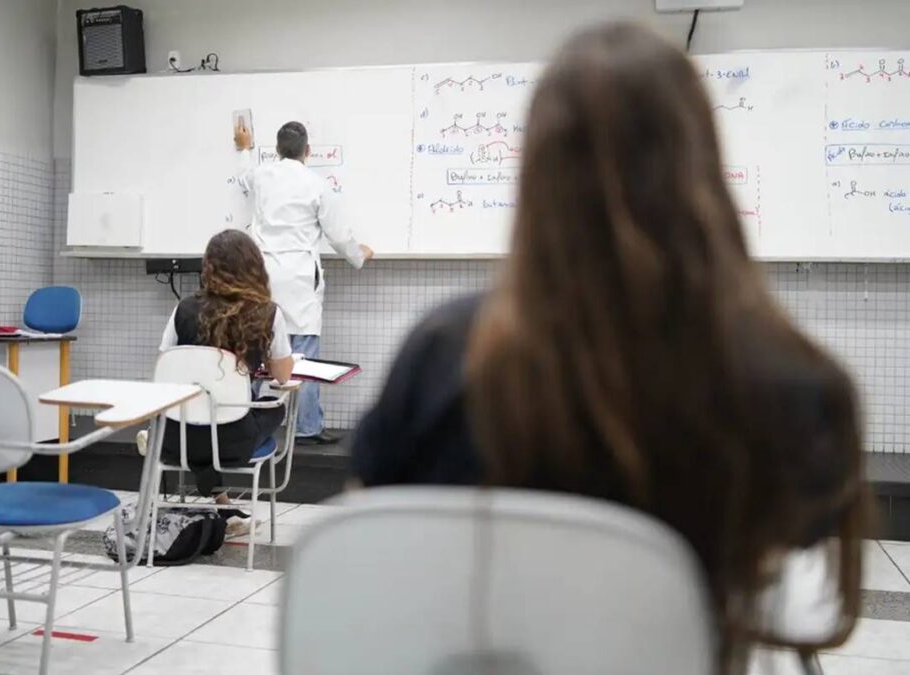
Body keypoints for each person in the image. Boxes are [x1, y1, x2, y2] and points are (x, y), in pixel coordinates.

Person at [350, 22, 869, 674]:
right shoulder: (799, 384)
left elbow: (371, 544)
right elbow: (794, 574)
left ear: (537, 171)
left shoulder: (444, 356)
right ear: (700, 165)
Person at [233, 119, 373, 445]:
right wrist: (359, 255)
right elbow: (338, 236)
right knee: (304, 355)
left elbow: (243, 178)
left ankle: (240, 418)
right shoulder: (316, 185)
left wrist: (244, 149)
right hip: (298, 278)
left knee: (255, 347)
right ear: (307, 151)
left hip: (263, 276)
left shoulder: (262, 174)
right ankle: (307, 427)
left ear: (277, 150)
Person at [146, 230, 294, 535]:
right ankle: (226, 511)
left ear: (208, 266)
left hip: (177, 437)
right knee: (273, 406)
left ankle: (224, 507)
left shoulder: (183, 309)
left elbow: (163, 366)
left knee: (203, 413)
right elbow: (283, 376)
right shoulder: (267, 313)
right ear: (255, 266)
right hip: (232, 441)